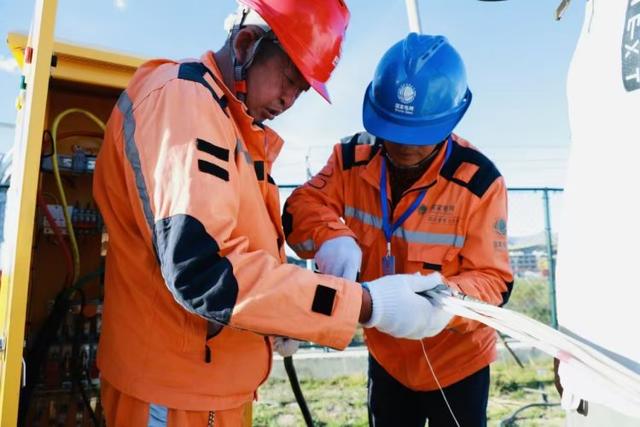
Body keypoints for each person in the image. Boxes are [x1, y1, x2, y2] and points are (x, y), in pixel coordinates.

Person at [93, 2, 451, 425]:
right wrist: (366, 304)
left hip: (210, 383)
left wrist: (283, 316)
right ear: (246, 43)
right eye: (289, 79)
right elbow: (204, 271)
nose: (289, 100)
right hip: (172, 392)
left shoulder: (229, 121)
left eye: (301, 90)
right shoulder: (185, 102)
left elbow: (239, 252)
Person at [284, 33, 514, 427]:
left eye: (419, 136)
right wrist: (329, 236)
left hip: (457, 364)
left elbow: (494, 281)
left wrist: (440, 302)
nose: (405, 147)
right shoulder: (351, 159)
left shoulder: (479, 182)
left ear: (449, 122)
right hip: (387, 358)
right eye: (394, 132)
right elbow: (301, 207)